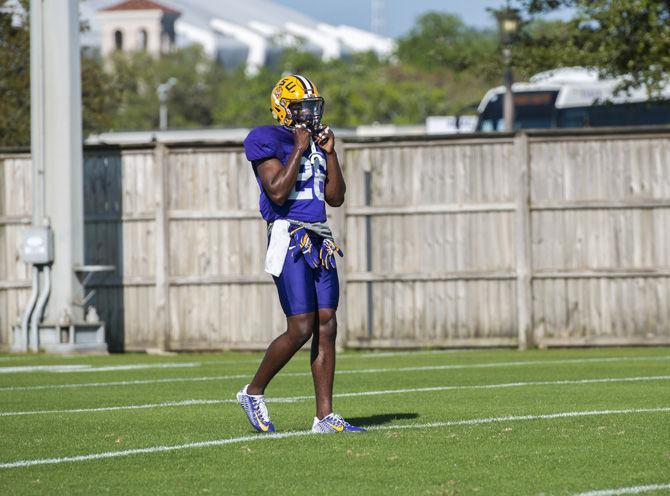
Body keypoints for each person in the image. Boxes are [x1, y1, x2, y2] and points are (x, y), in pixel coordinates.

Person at [236, 74, 365, 434]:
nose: (309, 113)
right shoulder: (265, 138)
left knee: (327, 322)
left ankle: (324, 416)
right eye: (302, 107)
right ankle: (253, 390)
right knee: (301, 327)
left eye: (313, 106)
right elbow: (277, 192)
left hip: (319, 238)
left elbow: (335, 198)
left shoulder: (315, 143)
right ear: (284, 109)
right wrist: (297, 148)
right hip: (288, 234)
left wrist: (330, 153)